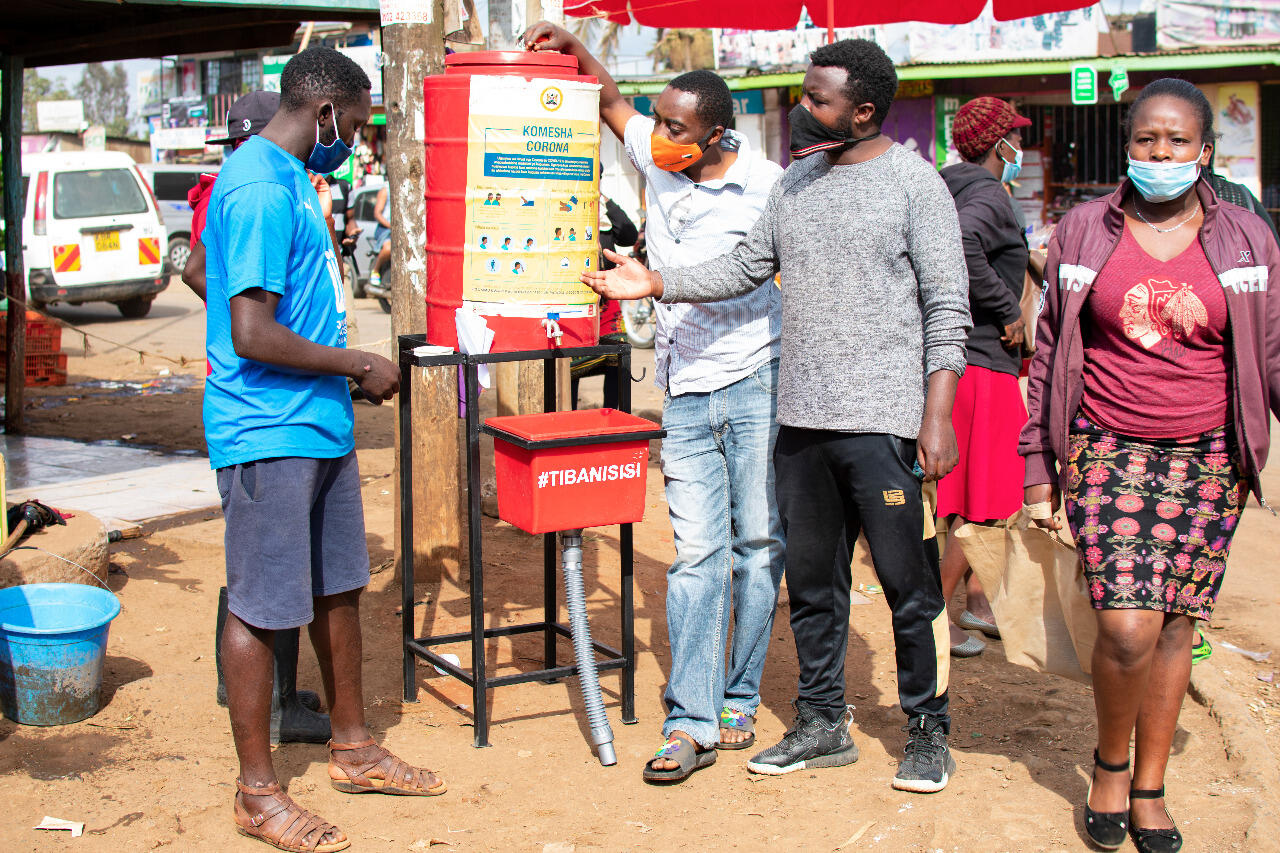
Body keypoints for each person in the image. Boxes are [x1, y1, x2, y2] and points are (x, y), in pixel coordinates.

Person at [583, 37, 971, 793]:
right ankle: (822, 721)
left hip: (885, 421)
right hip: (799, 419)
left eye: (817, 100)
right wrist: (658, 279)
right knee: (813, 584)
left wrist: (937, 413)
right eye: (802, 94)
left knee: (907, 584)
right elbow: (745, 266)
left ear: (862, 111)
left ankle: (928, 728)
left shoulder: (914, 185)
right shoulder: (794, 184)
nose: (801, 110)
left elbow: (946, 305)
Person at [1021, 78, 1280, 853]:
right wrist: (1039, 460)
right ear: (1127, 146)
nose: (1159, 154)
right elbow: (1046, 350)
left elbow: (1268, 349)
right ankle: (1108, 762)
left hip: (1211, 456)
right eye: (1145, 141)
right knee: (1127, 625)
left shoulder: (1246, 239)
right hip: (1108, 443)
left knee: (1173, 622)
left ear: (1205, 152)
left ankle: (1150, 784)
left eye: (1176, 142)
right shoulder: (1082, 231)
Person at [525, 23, 786, 785]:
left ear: (713, 135)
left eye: (676, 128)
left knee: (759, 550)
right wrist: (572, 41)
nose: (660, 136)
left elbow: (750, 269)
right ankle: (691, 720)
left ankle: (740, 693)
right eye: (660, 123)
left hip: (754, 379)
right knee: (697, 557)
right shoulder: (658, 153)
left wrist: (657, 281)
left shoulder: (767, 186)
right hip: (681, 387)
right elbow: (609, 101)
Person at [203, 47, 446, 852]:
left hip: (315, 424)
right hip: (266, 429)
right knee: (261, 605)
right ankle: (258, 794)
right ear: (326, 111)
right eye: (361, 120)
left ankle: (352, 747)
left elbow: (212, 273)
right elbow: (250, 330)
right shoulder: (260, 189)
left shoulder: (292, 179)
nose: (362, 138)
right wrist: (356, 364)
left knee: (337, 587)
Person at [936, 97, 1032, 657]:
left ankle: (977, 603)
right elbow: (966, 247)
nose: (1019, 149)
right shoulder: (988, 195)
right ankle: (934, 613)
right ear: (1000, 145)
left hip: (960, 359)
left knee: (977, 493)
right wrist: (1008, 309)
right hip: (983, 365)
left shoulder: (952, 184)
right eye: (1014, 138)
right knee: (982, 499)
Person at [570, 193, 639, 410]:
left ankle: (611, 416)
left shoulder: (605, 222)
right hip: (576, 306)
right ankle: (571, 423)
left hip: (607, 305)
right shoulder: (568, 212)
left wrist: (607, 200)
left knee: (617, 359)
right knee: (571, 366)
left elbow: (629, 234)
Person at [369, 184, 391, 289]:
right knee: (388, 248)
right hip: (385, 229)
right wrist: (391, 226)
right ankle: (376, 270)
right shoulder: (385, 190)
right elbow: (377, 213)